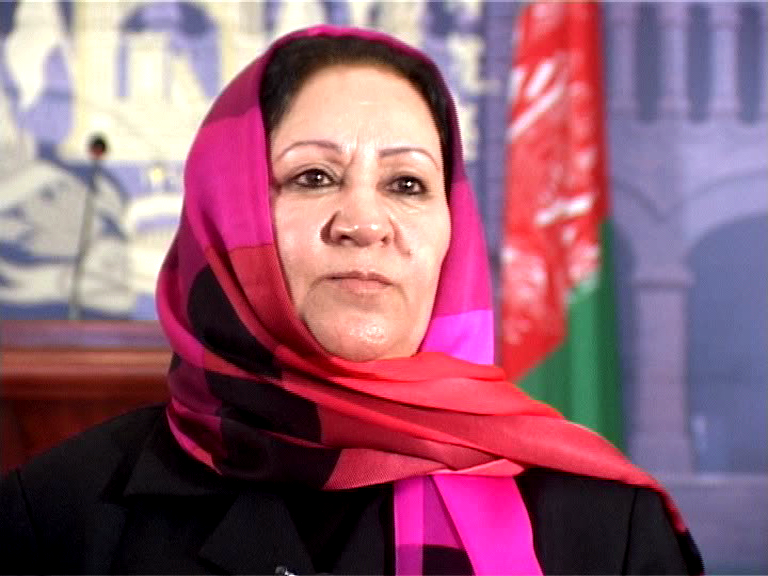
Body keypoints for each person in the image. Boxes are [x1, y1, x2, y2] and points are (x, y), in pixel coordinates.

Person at [0, 25, 703, 575]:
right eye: (313, 177)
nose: (364, 223)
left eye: (406, 184)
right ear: (227, 217)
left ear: (452, 231)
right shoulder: (58, 517)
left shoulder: (606, 525)